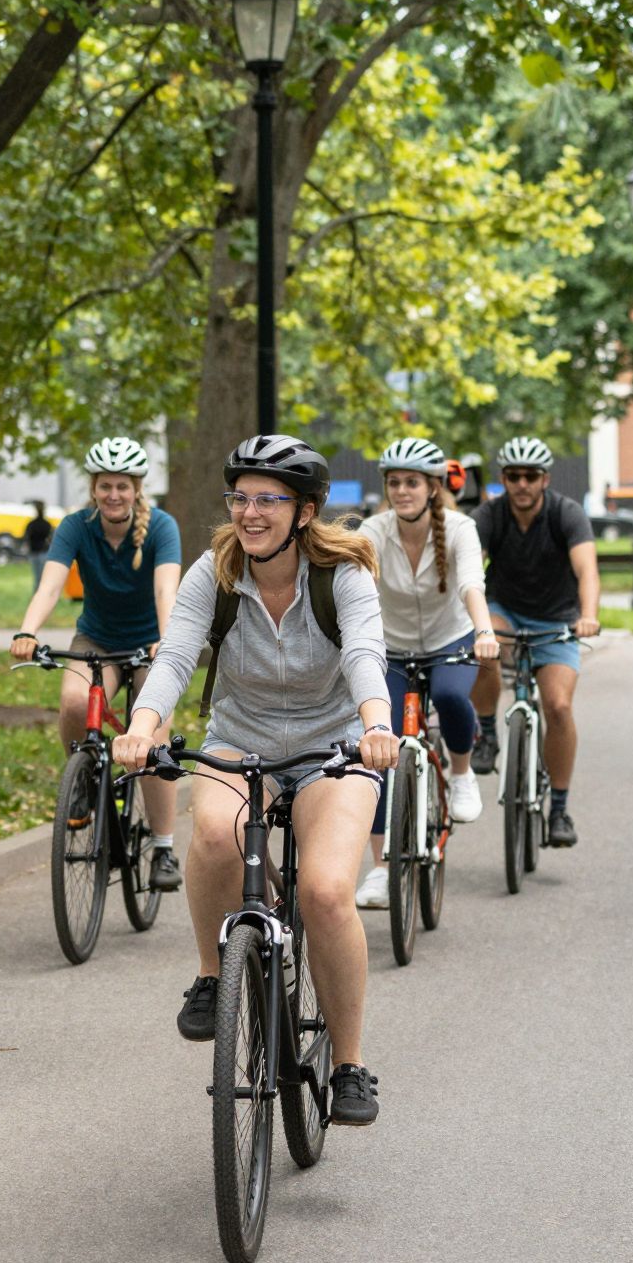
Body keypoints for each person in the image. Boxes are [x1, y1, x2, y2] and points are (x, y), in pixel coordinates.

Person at [110, 434, 395, 1125]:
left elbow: (363, 652)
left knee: (325, 891)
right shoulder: (215, 573)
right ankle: (214, 975)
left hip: (336, 746)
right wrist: (143, 727)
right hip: (240, 741)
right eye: (240, 498)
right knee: (214, 835)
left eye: (269, 500)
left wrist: (378, 724)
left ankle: (350, 1064)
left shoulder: (342, 575)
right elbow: (175, 657)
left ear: (304, 512)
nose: (250, 512)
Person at [11, 438, 185, 888]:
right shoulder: (76, 526)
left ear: (136, 489)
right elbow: (51, 586)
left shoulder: (162, 526)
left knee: (153, 734)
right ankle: (86, 781)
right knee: (74, 702)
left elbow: (166, 590)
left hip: (149, 642)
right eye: (105, 486)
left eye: (122, 486)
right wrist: (27, 631)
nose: (113, 494)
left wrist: (166, 641)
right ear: (93, 488)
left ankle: (163, 848)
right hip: (97, 640)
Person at [352, 437, 497, 909]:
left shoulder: (459, 528)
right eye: (394, 482)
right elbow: (355, 586)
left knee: (453, 697)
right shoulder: (373, 531)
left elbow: (471, 583)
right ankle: (380, 868)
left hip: (451, 638)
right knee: (380, 749)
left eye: (412, 482)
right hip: (391, 647)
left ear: (433, 487)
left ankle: (461, 773)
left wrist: (484, 630)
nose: (401, 491)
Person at [467, 436, 599, 849]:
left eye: (530, 476)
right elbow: (469, 568)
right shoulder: (489, 515)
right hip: (505, 609)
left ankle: (558, 808)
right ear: (503, 479)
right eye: (513, 476)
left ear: (545, 479)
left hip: (557, 618)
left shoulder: (566, 513)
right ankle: (488, 734)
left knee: (558, 706)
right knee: (484, 642)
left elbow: (587, 570)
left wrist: (589, 615)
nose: (521, 484)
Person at [24, 500, 54, 583]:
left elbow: (27, 538)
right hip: (43, 551)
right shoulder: (47, 524)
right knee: (42, 576)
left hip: (34, 551)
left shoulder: (31, 524)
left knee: (37, 577)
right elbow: (51, 538)